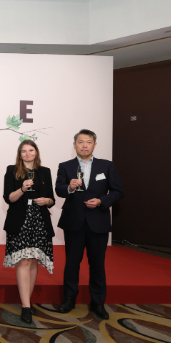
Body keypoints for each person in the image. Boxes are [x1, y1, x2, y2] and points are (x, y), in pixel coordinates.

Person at [55, 129, 124, 320]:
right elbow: (59, 189)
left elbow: (118, 192)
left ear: (94, 145)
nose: (84, 145)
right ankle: (69, 298)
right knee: (72, 263)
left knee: (97, 264)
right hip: (74, 221)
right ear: (74, 145)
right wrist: (69, 187)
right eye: (80, 142)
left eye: (88, 142)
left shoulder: (107, 166)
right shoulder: (65, 166)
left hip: (98, 221)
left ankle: (98, 302)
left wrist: (101, 201)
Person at [3, 140, 56, 323]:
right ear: (20, 154)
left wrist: (46, 201)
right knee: (24, 261)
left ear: (36, 152)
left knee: (34, 261)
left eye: (31, 150)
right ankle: (26, 306)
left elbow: (52, 199)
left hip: (39, 219)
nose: (27, 154)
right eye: (24, 151)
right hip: (20, 219)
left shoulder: (45, 171)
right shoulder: (12, 170)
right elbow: (9, 198)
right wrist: (22, 188)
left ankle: (28, 300)